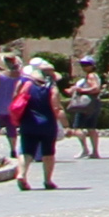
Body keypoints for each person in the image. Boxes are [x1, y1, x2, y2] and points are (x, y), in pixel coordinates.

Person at [13, 55, 66, 191]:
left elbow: (16, 99)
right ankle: (47, 180)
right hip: (47, 124)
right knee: (48, 152)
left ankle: (21, 174)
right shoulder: (52, 88)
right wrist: (63, 123)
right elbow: (55, 107)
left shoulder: (26, 84)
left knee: (26, 151)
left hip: (28, 122)